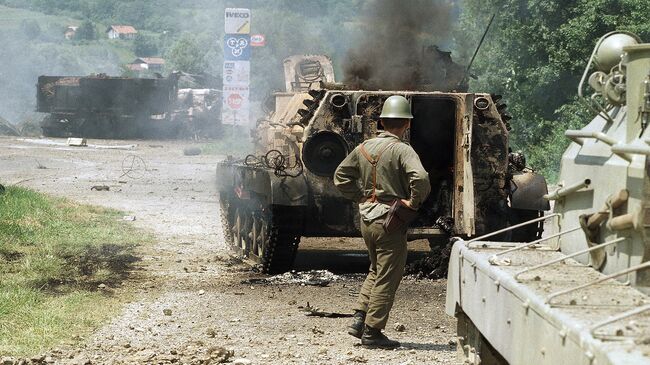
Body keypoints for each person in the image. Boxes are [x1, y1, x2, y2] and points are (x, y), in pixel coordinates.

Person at [333, 95, 431, 349]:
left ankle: (359, 318)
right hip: (390, 220)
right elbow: (420, 178)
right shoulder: (403, 150)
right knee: (389, 275)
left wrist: (361, 196)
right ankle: (373, 331)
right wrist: (413, 202)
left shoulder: (363, 148)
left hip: (366, 218)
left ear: (382, 121)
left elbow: (340, 176)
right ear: (407, 124)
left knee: (376, 270)